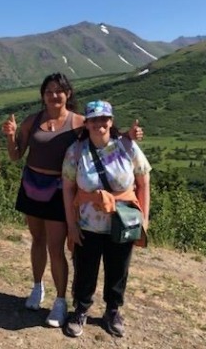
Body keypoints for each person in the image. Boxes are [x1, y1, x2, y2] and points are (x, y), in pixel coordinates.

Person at [1, 72, 142, 328]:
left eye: (59, 90)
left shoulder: (79, 122)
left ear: (68, 94)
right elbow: (16, 155)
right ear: (42, 95)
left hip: (59, 189)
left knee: (55, 247)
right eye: (48, 91)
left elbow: (104, 135)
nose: (54, 95)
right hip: (32, 186)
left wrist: (130, 137)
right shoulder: (32, 121)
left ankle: (60, 301)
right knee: (37, 240)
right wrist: (11, 136)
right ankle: (37, 287)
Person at [62, 100, 151, 338]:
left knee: (118, 268)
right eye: (94, 119)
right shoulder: (76, 151)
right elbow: (68, 189)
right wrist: (71, 224)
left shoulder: (128, 147)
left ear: (111, 122)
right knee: (85, 269)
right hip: (88, 224)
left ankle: (112, 310)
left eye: (104, 119)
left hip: (122, 222)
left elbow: (143, 181)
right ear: (87, 122)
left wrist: (144, 218)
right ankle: (81, 309)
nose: (99, 124)